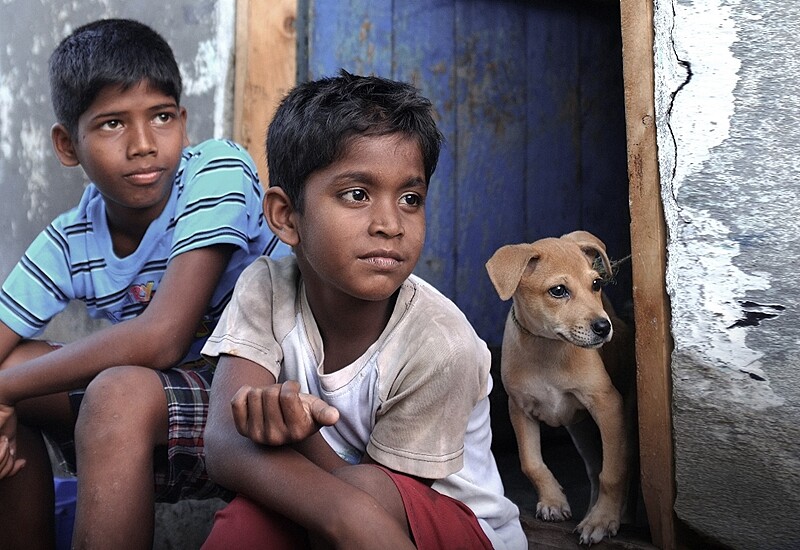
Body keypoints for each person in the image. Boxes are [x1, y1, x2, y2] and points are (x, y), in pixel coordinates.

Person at [200, 70, 527, 549]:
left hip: (458, 528)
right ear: (285, 216)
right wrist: (289, 440)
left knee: (307, 496)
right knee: (250, 520)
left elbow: (372, 505)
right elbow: (225, 443)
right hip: (346, 504)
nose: (390, 224)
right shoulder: (265, 287)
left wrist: (294, 438)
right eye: (357, 194)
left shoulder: (442, 343)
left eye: (411, 199)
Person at [0, 18, 289, 549]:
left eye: (160, 117)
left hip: (274, 399)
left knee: (108, 393)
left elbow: (163, 338)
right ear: (68, 144)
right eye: (112, 124)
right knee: (15, 369)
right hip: (169, 411)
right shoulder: (70, 241)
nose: (142, 145)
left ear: (182, 121)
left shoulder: (216, 171)